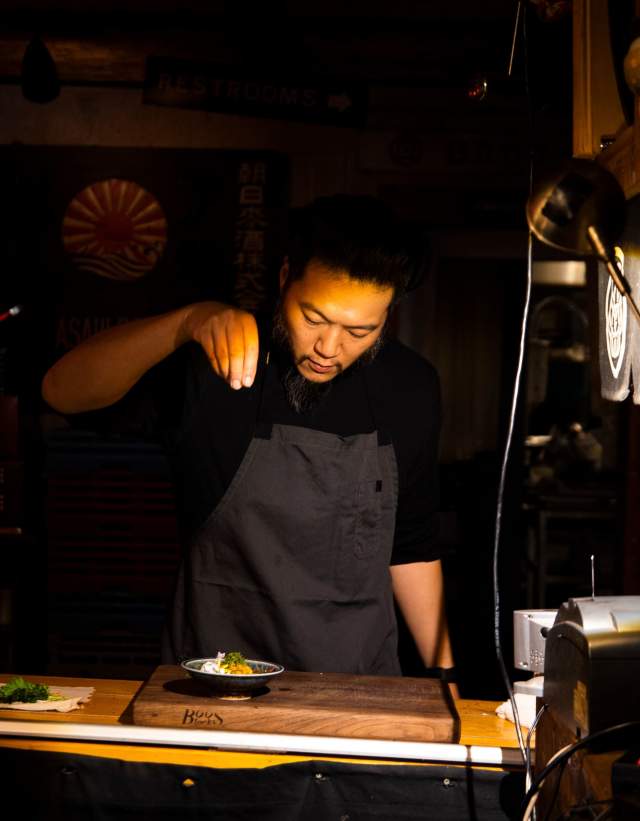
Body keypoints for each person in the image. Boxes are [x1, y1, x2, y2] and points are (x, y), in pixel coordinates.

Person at [42, 195, 456, 681]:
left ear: (390, 313)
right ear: (284, 278)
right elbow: (61, 392)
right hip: (212, 676)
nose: (329, 348)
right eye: (314, 318)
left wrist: (445, 678)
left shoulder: (409, 386)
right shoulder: (217, 360)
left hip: (355, 682)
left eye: (359, 330)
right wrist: (186, 323)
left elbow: (412, 546)